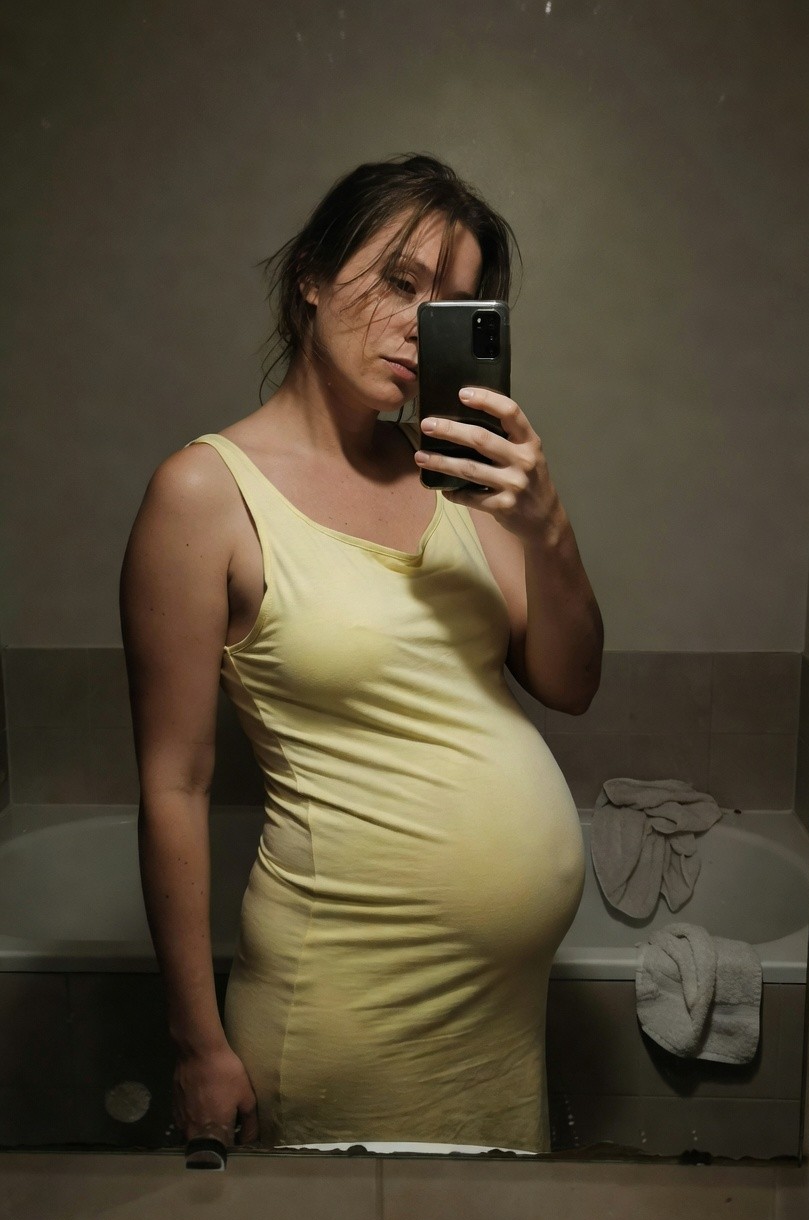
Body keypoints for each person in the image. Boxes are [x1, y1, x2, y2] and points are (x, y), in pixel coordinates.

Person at [119, 152, 603, 1156]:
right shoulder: (205, 495)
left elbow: (572, 682)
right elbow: (175, 781)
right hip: (344, 1004)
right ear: (310, 274)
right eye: (401, 281)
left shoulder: (461, 477)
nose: (418, 327)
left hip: (498, 1025)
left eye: (454, 306)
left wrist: (547, 522)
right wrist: (196, 1042)